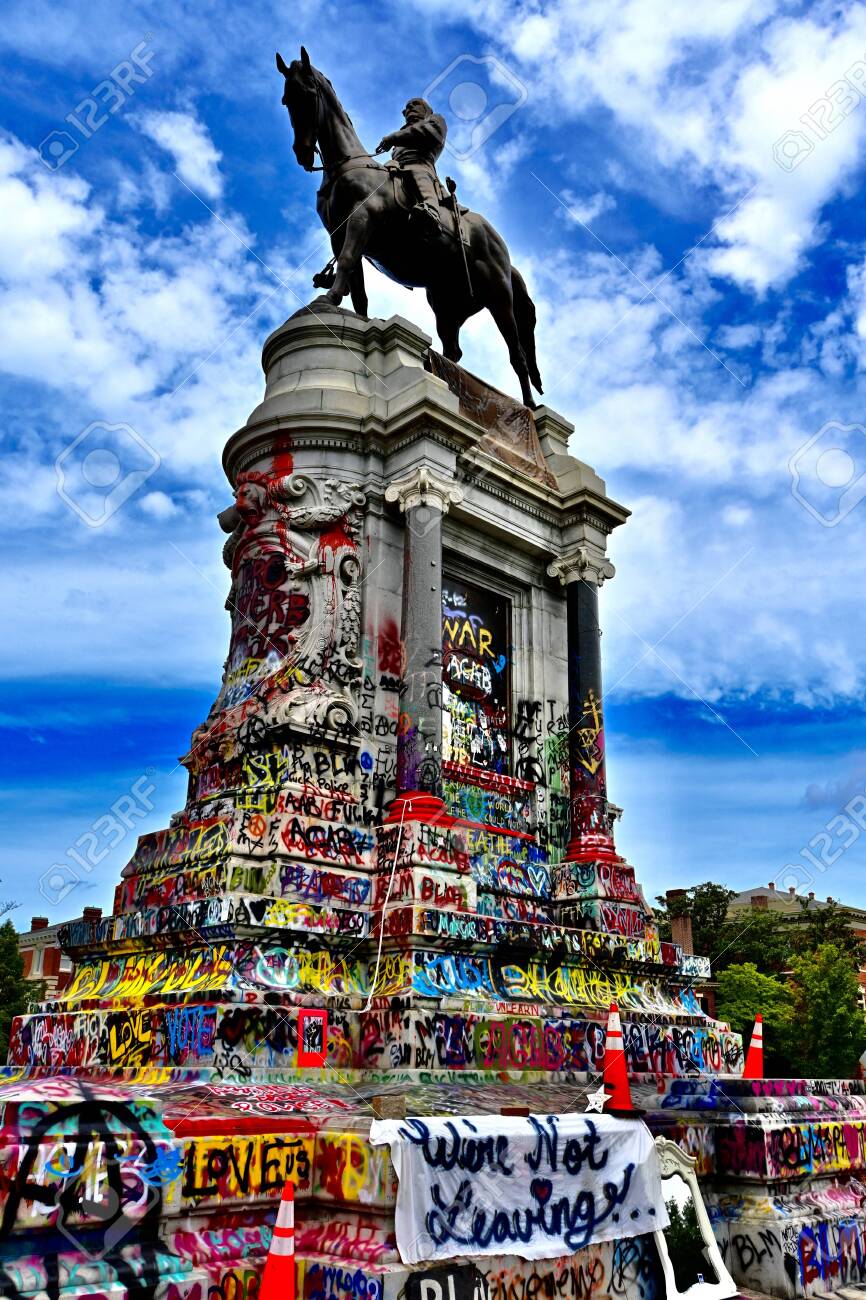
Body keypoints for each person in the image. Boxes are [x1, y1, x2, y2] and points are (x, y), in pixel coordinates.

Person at [376, 98, 447, 234]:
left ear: (428, 110)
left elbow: (430, 133)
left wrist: (392, 138)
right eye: (407, 107)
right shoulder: (402, 134)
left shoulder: (435, 120)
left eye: (416, 104)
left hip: (421, 165)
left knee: (418, 173)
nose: (410, 108)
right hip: (397, 167)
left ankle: (431, 209)